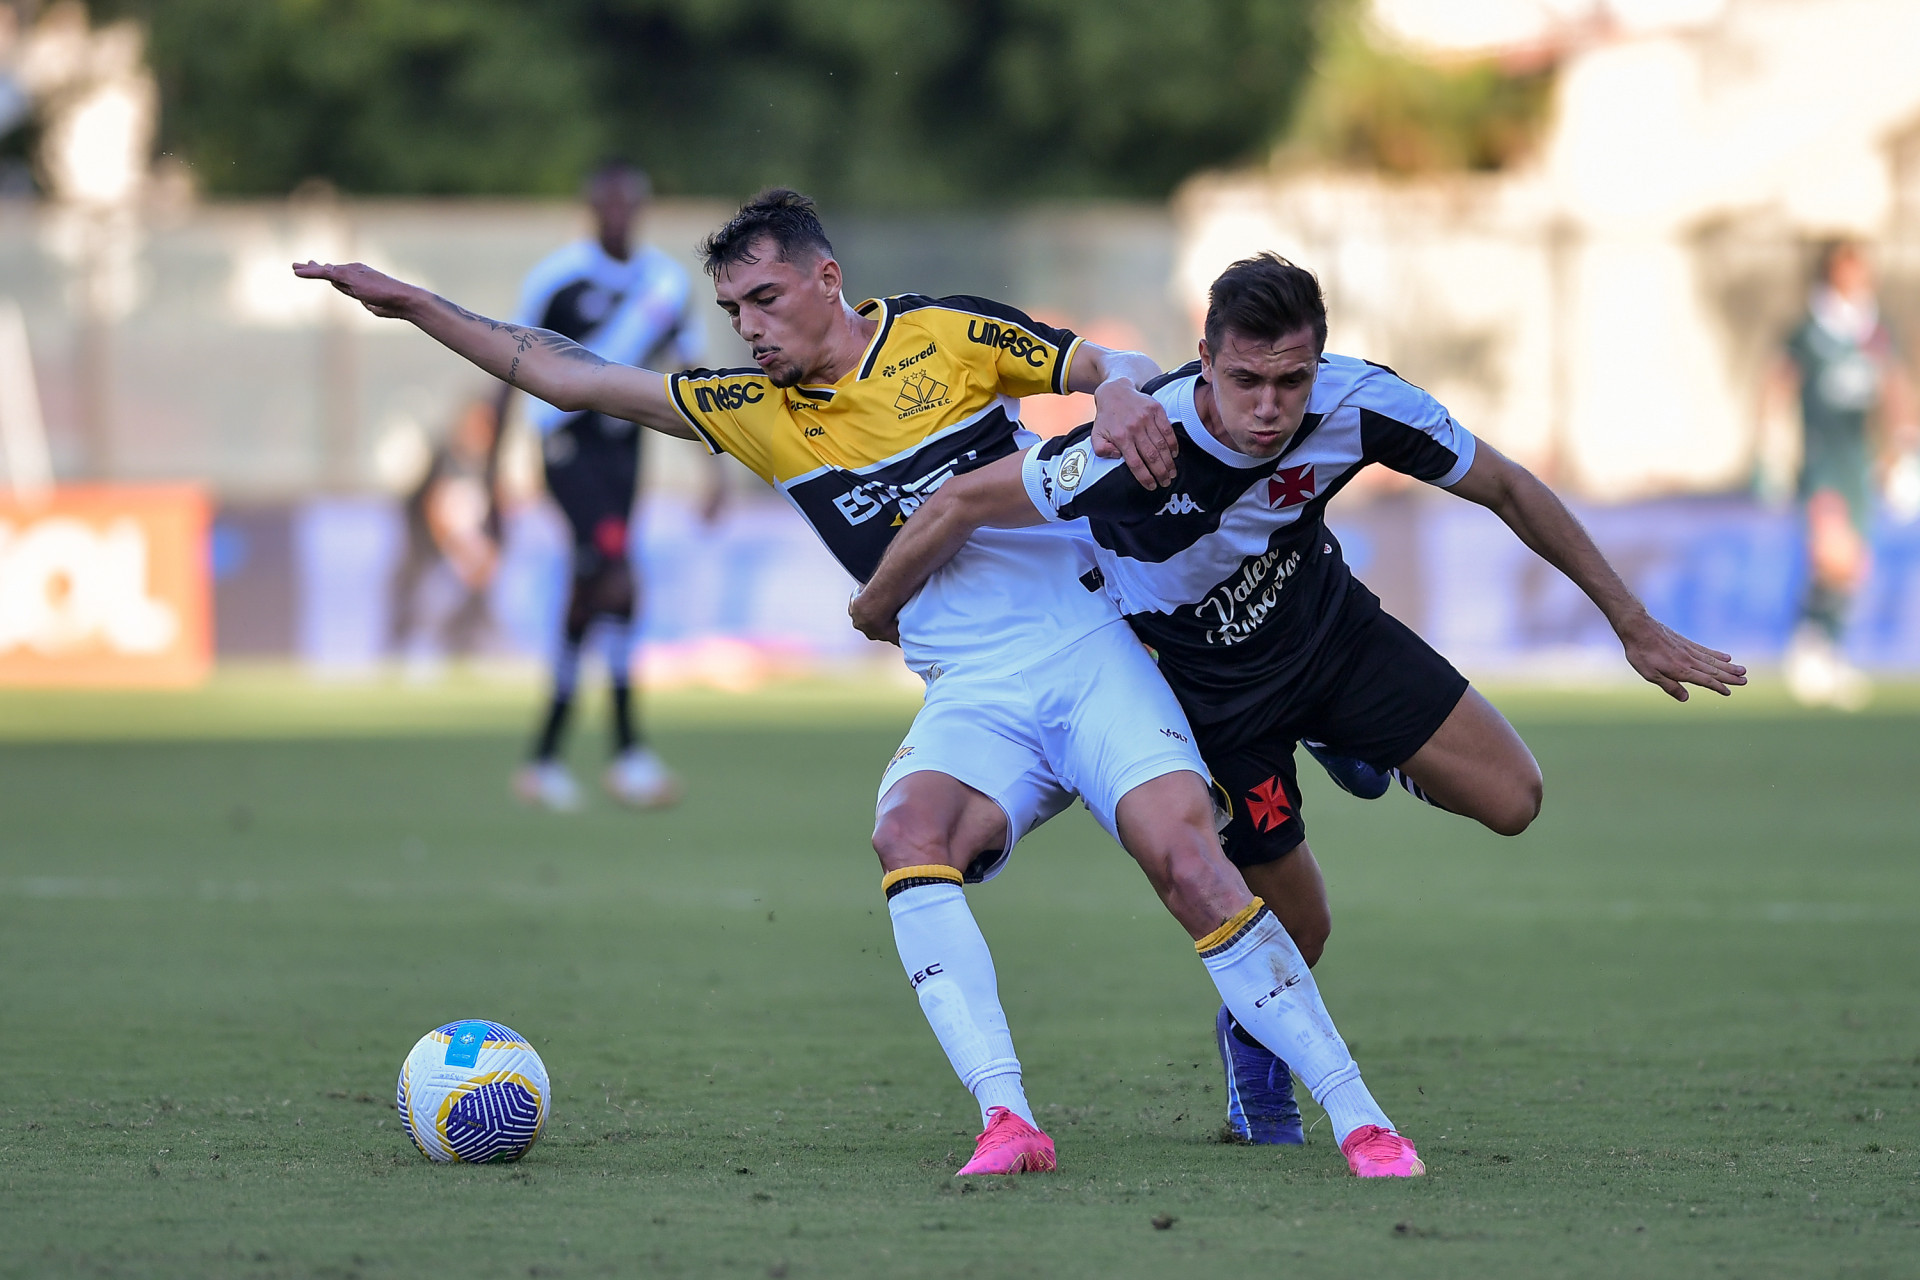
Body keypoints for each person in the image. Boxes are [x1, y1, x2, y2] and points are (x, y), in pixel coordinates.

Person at [294, 192, 1427, 1179]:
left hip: (1092, 650)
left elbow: (1099, 364)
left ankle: (1362, 1120)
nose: (750, 326)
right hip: (973, 689)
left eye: (768, 298)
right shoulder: (750, 412)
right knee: (907, 831)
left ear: (827, 278)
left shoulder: (942, 335)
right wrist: (410, 303)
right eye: (734, 308)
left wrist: (1126, 392)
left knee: (1188, 861)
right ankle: (1008, 1114)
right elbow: (564, 370)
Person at [850, 252, 1746, 1144]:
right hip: (1216, 710)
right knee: (1301, 933)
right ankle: (1251, 1030)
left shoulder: (1358, 403)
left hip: (1333, 639)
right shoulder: (1129, 451)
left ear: (1321, 360)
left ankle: (1358, 743)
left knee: (1517, 799)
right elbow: (959, 503)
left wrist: (1633, 623)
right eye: (1246, 380)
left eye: (1292, 379)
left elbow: (1508, 486)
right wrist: (877, 608)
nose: (1271, 407)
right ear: (1204, 360)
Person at [505, 159, 718, 812]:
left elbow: (694, 374)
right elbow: (506, 364)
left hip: (626, 454)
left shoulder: (664, 283)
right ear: (591, 209)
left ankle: (545, 760)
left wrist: (715, 467)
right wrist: (492, 479)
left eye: (629, 205)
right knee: (619, 579)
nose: (618, 216)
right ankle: (626, 755)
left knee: (597, 590)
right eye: (608, 205)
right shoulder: (558, 280)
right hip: (568, 448)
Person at [1764, 239, 1916, 710]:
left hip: (1859, 462)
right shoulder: (1809, 331)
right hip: (1821, 462)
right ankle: (1811, 645)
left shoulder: (1874, 330)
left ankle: (1823, 646)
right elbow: (1778, 385)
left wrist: (1905, 450)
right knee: (1834, 556)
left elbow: (1895, 389)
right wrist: (1771, 451)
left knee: (1853, 568)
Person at [388, 398, 500, 672]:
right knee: (428, 606)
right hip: (433, 554)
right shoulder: (446, 457)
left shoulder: (487, 464)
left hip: (469, 556)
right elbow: (435, 508)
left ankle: (469, 657)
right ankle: (410, 661)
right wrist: (458, 550)